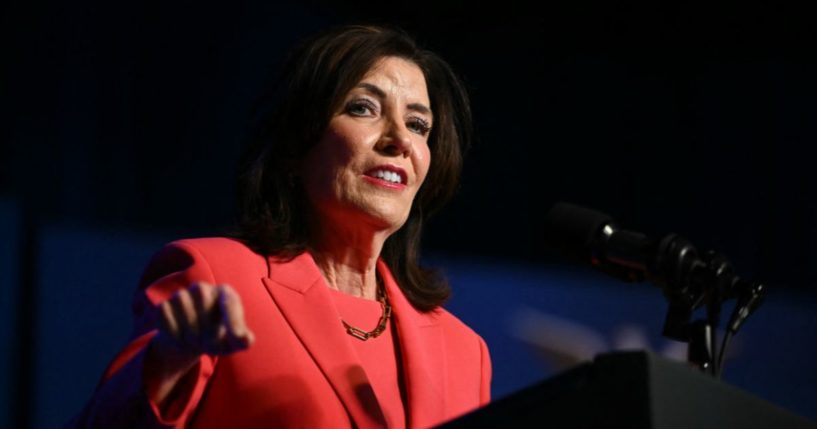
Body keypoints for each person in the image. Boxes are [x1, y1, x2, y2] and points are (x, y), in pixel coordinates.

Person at [71, 24, 491, 428]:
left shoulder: (465, 353)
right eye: (363, 108)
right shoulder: (215, 278)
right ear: (295, 148)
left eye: (418, 125)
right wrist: (166, 366)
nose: (399, 139)